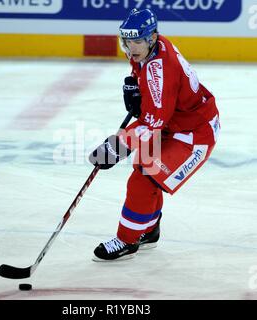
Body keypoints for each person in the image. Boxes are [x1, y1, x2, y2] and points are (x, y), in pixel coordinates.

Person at [89, 8, 220, 261]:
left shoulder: (160, 69)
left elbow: (151, 124)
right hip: (175, 122)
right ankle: (147, 230)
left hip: (194, 134)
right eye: (127, 41)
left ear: (151, 38)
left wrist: (117, 146)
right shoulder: (151, 48)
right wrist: (135, 86)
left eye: (137, 41)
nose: (131, 47)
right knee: (142, 167)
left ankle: (127, 240)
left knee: (146, 177)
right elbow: (154, 104)